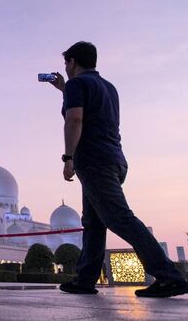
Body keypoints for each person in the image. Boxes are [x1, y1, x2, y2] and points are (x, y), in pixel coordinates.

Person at [50, 41, 188, 297]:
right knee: (93, 222)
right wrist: (64, 90)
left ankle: (169, 276)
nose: (66, 69)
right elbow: (91, 114)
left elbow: (76, 118)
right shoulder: (108, 87)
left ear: (72, 62)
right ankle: (85, 279)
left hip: (94, 161)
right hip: (114, 158)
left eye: (66, 64)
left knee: (119, 218)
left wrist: (68, 157)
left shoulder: (77, 85)